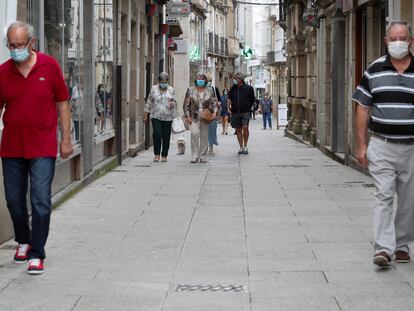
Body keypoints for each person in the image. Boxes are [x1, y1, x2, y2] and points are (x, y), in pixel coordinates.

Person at [0, 21, 73, 275]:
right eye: (11, 45)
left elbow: (63, 102)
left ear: (31, 43)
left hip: (42, 146)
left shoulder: (49, 66)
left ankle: (36, 252)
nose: (15, 49)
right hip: (11, 148)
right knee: (14, 201)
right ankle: (23, 239)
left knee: (40, 200)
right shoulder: (3, 72)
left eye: (20, 44)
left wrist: (66, 139)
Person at [353, 21, 414, 268]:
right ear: (387, 41)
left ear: (410, 41)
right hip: (382, 144)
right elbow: (362, 108)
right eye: (394, 38)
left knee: (409, 200)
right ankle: (384, 249)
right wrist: (361, 145)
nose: (398, 42)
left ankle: (400, 244)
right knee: (384, 195)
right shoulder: (374, 70)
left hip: (412, 147)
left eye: (403, 37)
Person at [183, 73, 218, 163]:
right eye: (199, 79)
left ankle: (202, 155)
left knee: (204, 136)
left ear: (205, 81)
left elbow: (214, 102)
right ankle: (194, 155)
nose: (200, 80)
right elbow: (186, 105)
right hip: (193, 116)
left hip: (205, 116)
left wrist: (214, 112)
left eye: (202, 79)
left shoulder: (210, 91)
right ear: (195, 80)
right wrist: (187, 116)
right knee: (194, 134)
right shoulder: (190, 90)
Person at [144, 72, 177, 162]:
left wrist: (172, 104)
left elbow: (175, 101)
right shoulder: (154, 89)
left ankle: (164, 155)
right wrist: (146, 114)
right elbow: (149, 101)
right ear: (159, 81)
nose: (164, 83)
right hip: (156, 115)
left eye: (165, 81)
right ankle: (157, 154)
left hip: (168, 116)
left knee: (166, 136)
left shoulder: (171, 89)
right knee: (157, 134)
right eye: (162, 81)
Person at [228, 72, 256, 155]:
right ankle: (241, 147)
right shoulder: (233, 88)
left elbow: (252, 99)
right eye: (234, 78)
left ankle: (246, 146)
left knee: (245, 127)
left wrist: (248, 107)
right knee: (238, 129)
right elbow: (229, 98)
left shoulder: (249, 88)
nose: (235, 80)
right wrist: (229, 108)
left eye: (236, 78)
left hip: (245, 112)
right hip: (235, 112)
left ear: (241, 79)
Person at [206, 76, 221, 155]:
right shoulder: (201, 89)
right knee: (204, 131)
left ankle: (211, 147)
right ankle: (204, 147)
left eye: (210, 80)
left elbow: (219, 99)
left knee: (212, 130)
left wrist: (218, 104)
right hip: (203, 113)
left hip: (213, 113)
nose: (209, 82)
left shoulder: (214, 89)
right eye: (208, 80)